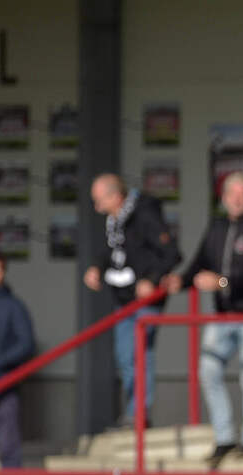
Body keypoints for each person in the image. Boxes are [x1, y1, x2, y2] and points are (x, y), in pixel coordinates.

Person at [175, 172, 243, 468]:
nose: (237, 200)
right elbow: (197, 266)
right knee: (208, 370)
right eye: (232, 194)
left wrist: (220, 282)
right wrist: (176, 282)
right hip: (222, 315)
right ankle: (224, 437)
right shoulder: (216, 228)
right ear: (224, 197)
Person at [84, 174, 181, 426]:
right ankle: (133, 411)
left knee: (141, 353)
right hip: (123, 299)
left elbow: (172, 253)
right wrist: (96, 266)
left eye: (99, 201)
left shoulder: (145, 215)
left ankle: (137, 414)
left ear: (115, 196)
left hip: (146, 301)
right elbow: (111, 250)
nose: (96, 207)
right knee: (125, 357)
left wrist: (151, 279)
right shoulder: (113, 221)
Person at [0, 250, 33, 475]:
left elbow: (26, 344)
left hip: (3, 387)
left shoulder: (14, 306)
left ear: (3, 273)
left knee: (9, 448)